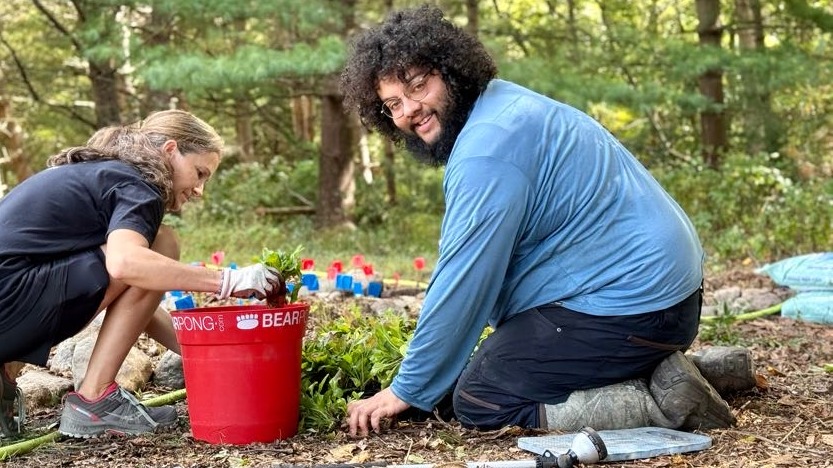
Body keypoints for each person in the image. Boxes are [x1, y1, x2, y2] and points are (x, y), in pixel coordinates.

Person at [340, 5, 754, 436]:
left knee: (481, 395)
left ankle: (664, 406)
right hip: (666, 301)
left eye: (418, 87)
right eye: (393, 104)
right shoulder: (502, 105)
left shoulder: (486, 149)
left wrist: (407, 387)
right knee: (494, 362)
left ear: (451, 72)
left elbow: (464, 278)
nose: (409, 111)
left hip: (637, 309)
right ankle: (688, 370)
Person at [0, 110, 281, 438]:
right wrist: (230, 281)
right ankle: (94, 400)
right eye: (199, 173)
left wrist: (209, 353)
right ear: (171, 151)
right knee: (162, 244)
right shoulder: (139, 185)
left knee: (149, 260)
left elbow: (136, 304)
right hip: (10, 303)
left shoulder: (107, 175)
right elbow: (125, 265)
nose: (200, 190)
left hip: (9, 304)